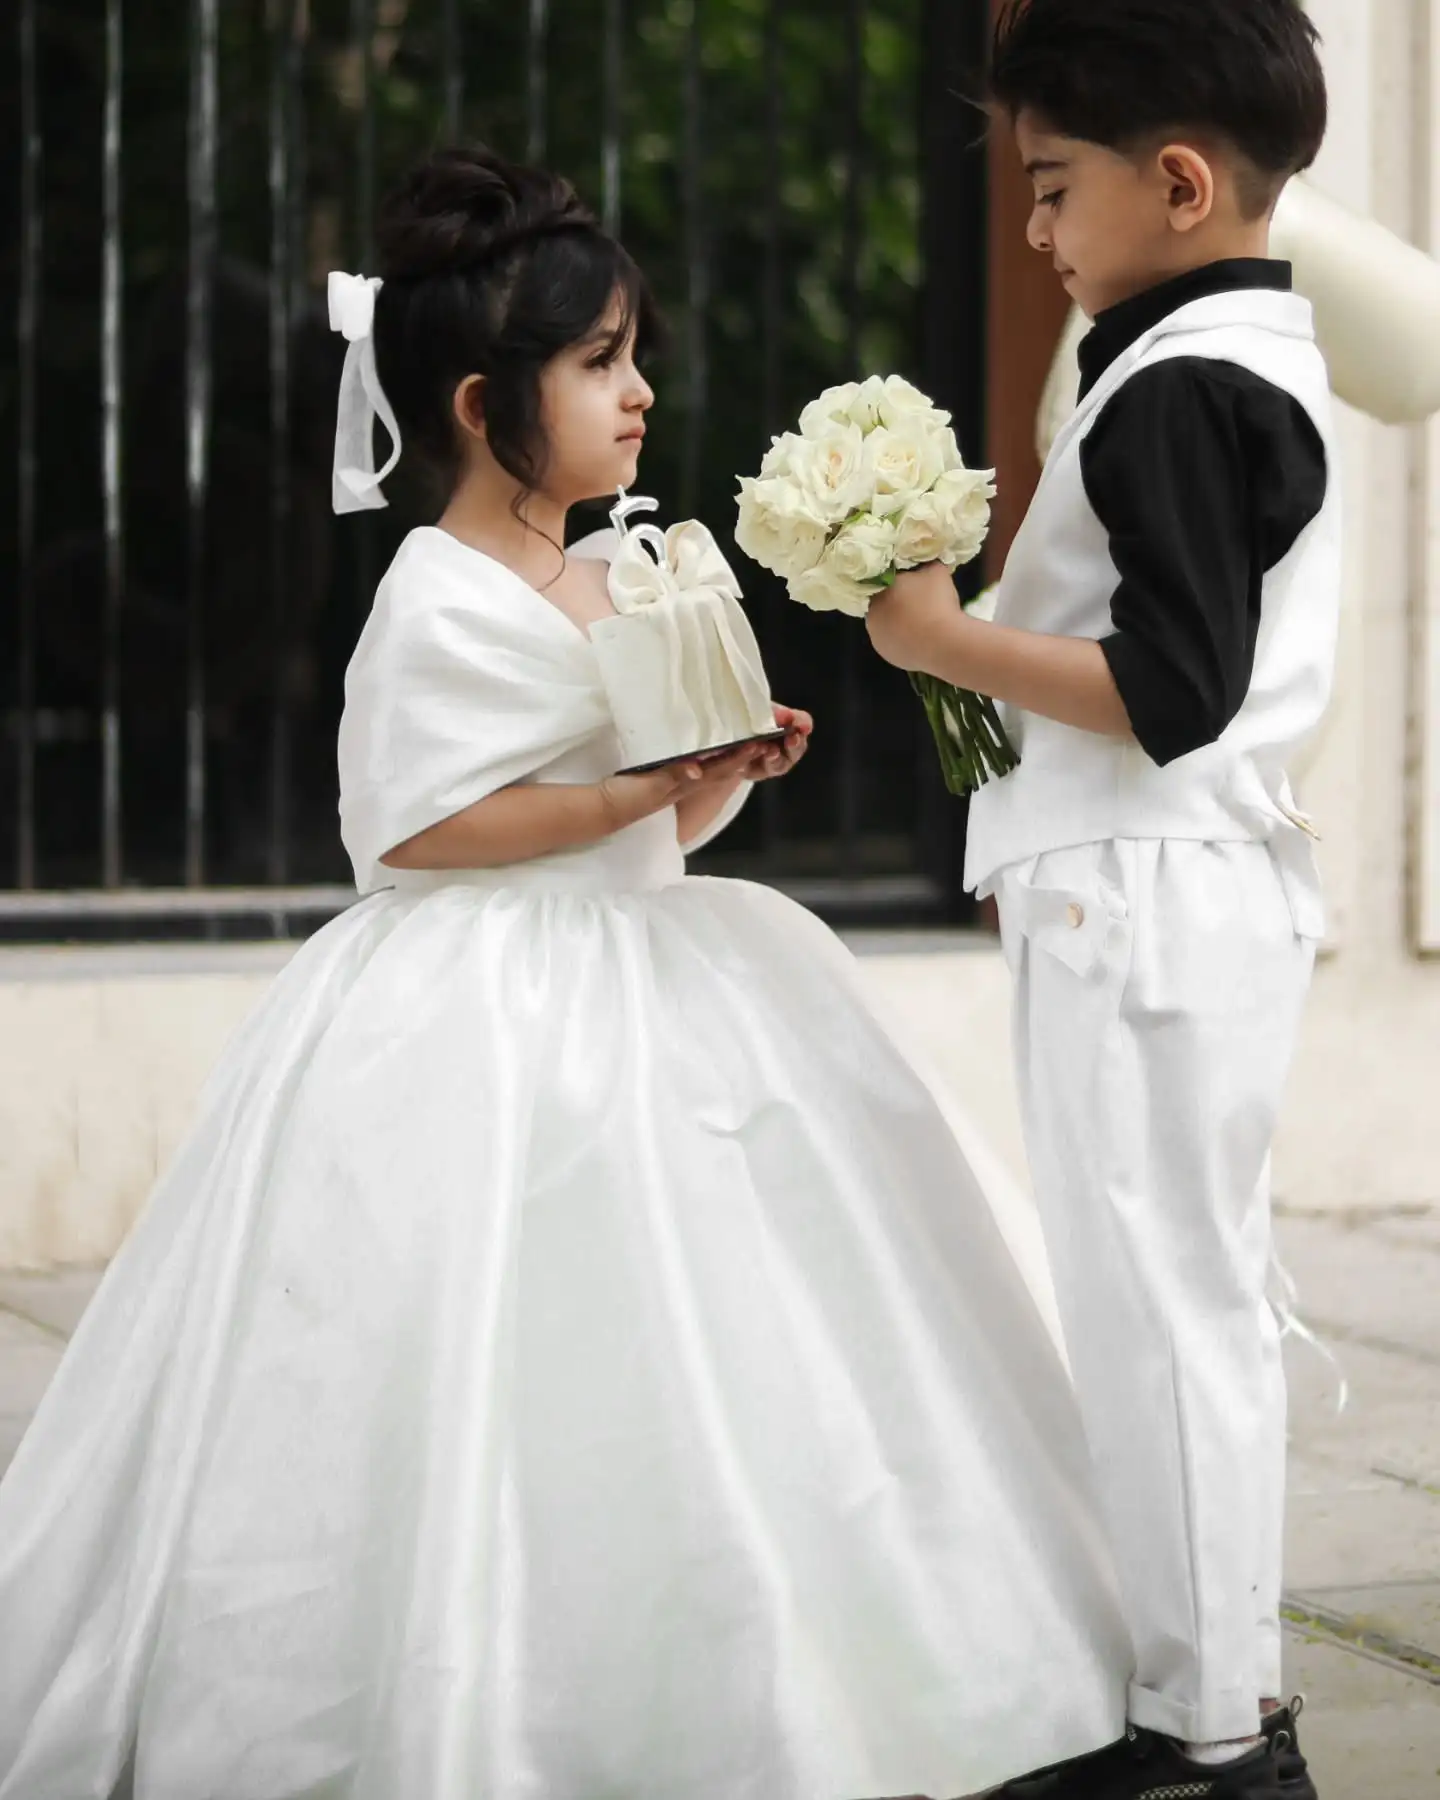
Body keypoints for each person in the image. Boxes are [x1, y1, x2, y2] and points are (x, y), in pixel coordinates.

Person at [0, 145, 1130, 1800]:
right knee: (480, 1347)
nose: (640, 393)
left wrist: (723, 768)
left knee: (741, 1331)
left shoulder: (625, 568)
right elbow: (417, 827)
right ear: (478, 401)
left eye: (633, 356)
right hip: (476, 999)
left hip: (650, 958)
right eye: (599, 364)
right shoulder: (431, 594)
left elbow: (654, 827)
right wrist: (628, 792)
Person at [866, 4, 1335, 1797]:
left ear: (1182, 179)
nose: (1039, 234)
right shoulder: (1229, 355)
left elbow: (1170, 686)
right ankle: (1214, 1704)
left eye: (1053, 191)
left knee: (1162, 1312)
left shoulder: (1180, 385)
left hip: (1150, 902)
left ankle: (1212, 1740)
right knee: (1178, 1304)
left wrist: (936, 636)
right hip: (1174, 893)